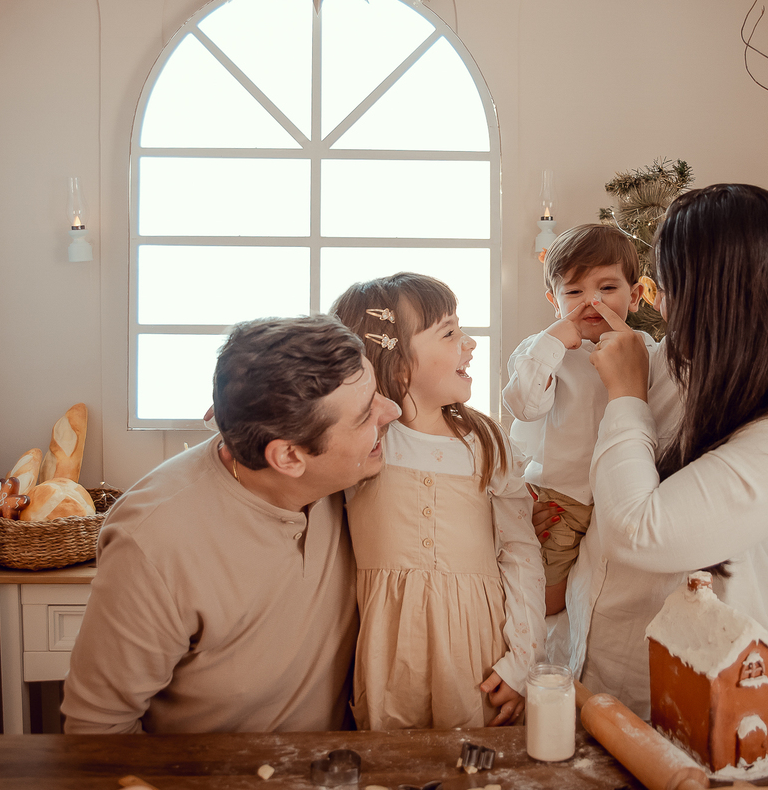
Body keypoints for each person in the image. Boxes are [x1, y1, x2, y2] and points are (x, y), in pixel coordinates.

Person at [564, 184, 768, 718]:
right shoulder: (679, 358)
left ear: (718, 295)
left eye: (670, 286)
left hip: (701, 690)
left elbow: (638, 531)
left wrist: (627, 395)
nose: (659, 301)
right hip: (591, 658)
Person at [61, 316, 400, 734]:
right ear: (289, 458)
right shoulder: (153, 545)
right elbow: (97, 732)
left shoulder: (339, 477)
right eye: (366, 414)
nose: (393, 412)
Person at [331, 272, 545, 730]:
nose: (468, 343)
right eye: (449, 332)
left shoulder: (488, 444)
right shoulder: (365, 444)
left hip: (478, 654)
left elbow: (520, 553)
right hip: (388, 649)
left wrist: (523, 659)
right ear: (399, 364)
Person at [503, 223, 659, 616]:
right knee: (547, 601)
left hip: (627, 493)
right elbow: (524, 407)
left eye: (607, 288)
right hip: (562, 495)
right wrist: (552, 343)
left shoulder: (648, 352)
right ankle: (539, 663)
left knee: (613, 595)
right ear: (554, 301)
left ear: (635, 295)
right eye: (574, 291)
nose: (591, 301)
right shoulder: (541, 351)